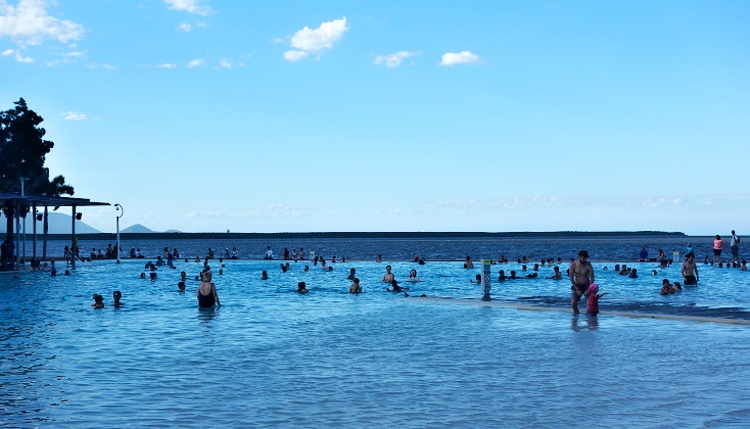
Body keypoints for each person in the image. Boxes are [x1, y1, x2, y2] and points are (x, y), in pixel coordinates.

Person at [569, 250, 594, 314]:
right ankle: (576, 315)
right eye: (583, 258)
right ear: (579, 257)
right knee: (573, 304)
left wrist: (589, 289)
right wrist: (577, 289)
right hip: (577, 285)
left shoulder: (588, 265)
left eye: (586, 258)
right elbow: (571, 278)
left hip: (586, 284)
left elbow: (592, 278)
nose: (585, 259)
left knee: (589, 303)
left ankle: (588, 316)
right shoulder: (574, 264)